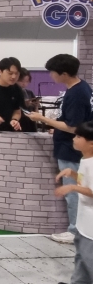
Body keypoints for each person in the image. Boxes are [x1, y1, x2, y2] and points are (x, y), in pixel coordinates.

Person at [29, 54, 93, 244]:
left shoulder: (76, 94)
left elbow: (73, 127)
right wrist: (56, 126)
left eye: (53, 72)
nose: (51, 76)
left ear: (64, 73)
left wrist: (42, 119)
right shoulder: (81, 88)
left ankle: (75, 231)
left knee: (74, 192)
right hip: (71, 147)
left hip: (71, 149)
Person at [53, 121, 93, 284]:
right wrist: (73, 174)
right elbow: (86, 182)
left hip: (91, 225)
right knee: (82, 255)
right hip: (84, 222)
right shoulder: (86, 160)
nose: (74, 139)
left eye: (78, 136)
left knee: (88, 257)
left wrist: (71, 188)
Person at [17, 68, 38, 133]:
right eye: (21, 81)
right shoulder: (13, 92)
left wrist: (36, 105)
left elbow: (36, 110)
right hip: (19, 122)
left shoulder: (30, 92)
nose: (24, 84)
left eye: (27, 81)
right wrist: (24, 104)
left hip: (30, 122)